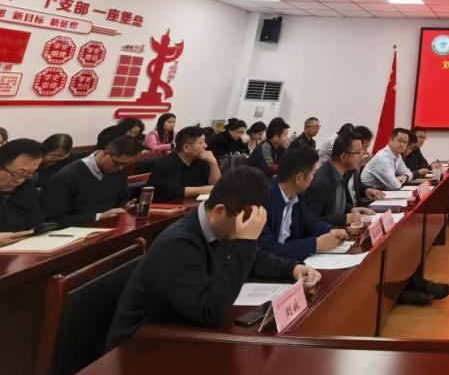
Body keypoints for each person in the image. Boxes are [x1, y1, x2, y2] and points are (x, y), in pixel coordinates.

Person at [105, 167, 319, 349]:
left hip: (182, 331)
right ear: (219, 211)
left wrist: (291, 268)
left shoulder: (222, 226)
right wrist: (246, 243)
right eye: (244, 223)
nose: (246, 229)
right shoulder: (178, 244)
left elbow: (253, 259)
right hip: (140, 347)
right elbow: (210, 312)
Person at [257, 146, 346, 260]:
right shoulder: (263, 201)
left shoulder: (297, 194)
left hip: (291, 261)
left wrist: (330, 230)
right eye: (313, 173)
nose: (314, 178)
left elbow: (310, 222)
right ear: (299, 178)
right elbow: (267, 250)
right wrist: (315, 244)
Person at [43, 135, 142, 226]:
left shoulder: (119, 171)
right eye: (118, 163)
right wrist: (98, 217)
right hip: (80, 231)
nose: (120, 168)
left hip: (111, 225)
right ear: (106, 153)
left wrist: (125, 206)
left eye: (126, 164)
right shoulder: (66, 177)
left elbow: (119, 199)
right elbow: (55, 219)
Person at [304, 132, 380, 227]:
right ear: (344, 157)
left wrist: (350, 209)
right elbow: (309, 221)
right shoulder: (321, 182)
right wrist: (345, 218)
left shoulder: (343, 172)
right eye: (358, 152)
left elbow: (334, 206)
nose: (363, 155)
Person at [149, 125, 222, 202]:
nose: (205, 146)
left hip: (190, 204)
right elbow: (175, 191)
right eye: (201, 143)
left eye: (204, 141)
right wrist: (210, 189)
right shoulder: (165, 164)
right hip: (164, 206)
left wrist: (213, 164)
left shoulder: (201, 159)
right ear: (186, 148)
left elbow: (216, 184)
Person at [0, 138, 45, 246]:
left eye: (29, 174)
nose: (20, 180)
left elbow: (34, 224)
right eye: (17, 174)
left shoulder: (27, 188)